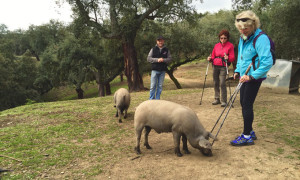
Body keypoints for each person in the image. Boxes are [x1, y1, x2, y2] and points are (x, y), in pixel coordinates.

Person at [230, 10, 273, 146]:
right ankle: (250, 130)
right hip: (244, 75)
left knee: (246, 104)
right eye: (241, 28)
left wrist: (251, 76)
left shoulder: (261, 39)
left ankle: (247, 135)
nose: (243, 31)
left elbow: (267, 62)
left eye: (246, 28)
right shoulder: (243, 37)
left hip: (254, 77)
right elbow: (241, 57)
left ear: (253, 25)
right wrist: (237, 70)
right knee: (244, 103)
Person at [207, 30, 235, 107]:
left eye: (224, 38)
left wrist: (228, 57)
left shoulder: (230, 46)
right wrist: (210, 59)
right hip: (215, 66)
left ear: (227, 38)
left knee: (222, 83)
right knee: (216, 82)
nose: (223, 40)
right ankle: (217, 99)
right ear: (219, 38)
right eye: (221, 38)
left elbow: (232, 57)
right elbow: (213, 56)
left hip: (223, 66)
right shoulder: (216, 46)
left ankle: (224, 101)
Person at [147, 36, 172, 100]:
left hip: (162, 71)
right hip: (154, 70)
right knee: (153, 86)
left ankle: (157, 99)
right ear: (157, 41)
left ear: (163, 41)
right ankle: (151, 99)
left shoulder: (166, 50)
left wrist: (163, 60)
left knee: (160, 86)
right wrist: (157, 60)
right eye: (159, 41)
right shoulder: (153, 49)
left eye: (161, 40)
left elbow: (170, 59)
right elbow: (148, 58)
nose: (160, 42)